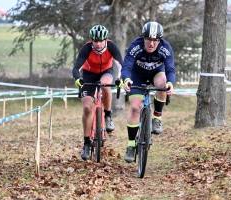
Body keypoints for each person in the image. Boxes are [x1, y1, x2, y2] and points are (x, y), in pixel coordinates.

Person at [121, 21, 175, 163]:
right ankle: (131, 145)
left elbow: (170, 69)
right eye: (148, 40)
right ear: (143, 38)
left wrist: (170, 83)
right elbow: (126, 66)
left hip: (156, 74)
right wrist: (126, 79)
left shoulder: (165, 48)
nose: (151, 44)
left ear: (159, 40)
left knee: (162, 84)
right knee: (134, 107)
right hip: (137, 76)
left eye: (155, 41)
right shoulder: (135, 46)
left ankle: (157, 117)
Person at [72, 25, 123, 160]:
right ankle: (86, 143)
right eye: (95, 41)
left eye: (101, 41)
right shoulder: (87, 48)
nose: (98, 44)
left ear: (106, 39)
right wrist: (78, 79)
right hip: (89, 75)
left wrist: (120, 79)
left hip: (106, 71)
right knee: (88, 107)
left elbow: (121, 66)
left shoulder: (112, 47)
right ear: (92, 40)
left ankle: (107, 115)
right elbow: (76, 68)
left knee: (106, 86)